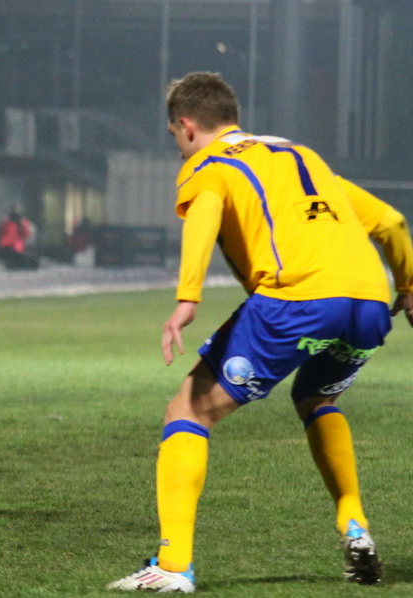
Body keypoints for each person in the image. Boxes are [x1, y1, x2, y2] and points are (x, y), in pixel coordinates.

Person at [107, 72, 413, 593]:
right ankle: (354, 525)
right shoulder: (300, 155)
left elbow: (205, 214)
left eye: (175, 136)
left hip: (298, 298)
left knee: (187, 411)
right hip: (367, 301)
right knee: (317, 397)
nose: (178, 148)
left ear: (186, 126)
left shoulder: (210, 163)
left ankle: (174, 566)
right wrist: (407, 286)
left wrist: (187, 298)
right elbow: (389, 221)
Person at [0, 206, 38, 270]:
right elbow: (26, 234)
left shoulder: (6, 222)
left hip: (8, 246)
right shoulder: (20, 222)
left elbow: (2, 232)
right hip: (15, 246)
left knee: (11, 263)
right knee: (18, 264)